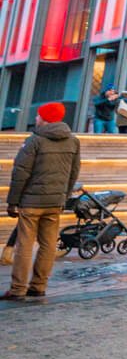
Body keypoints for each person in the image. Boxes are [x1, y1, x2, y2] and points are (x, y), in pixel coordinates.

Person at [4, 101, 83, 304]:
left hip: (31, 202)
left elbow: (20, 173)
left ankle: (18, 288)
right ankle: (39, 287)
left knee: (25, 245)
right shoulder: (73, 141)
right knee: (48, 245)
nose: (36, 119)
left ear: (45, 119)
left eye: (39, 116)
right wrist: (64, 196)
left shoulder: (35, 140)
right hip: (55, 202)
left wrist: (13, 201)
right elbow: (73, 174)